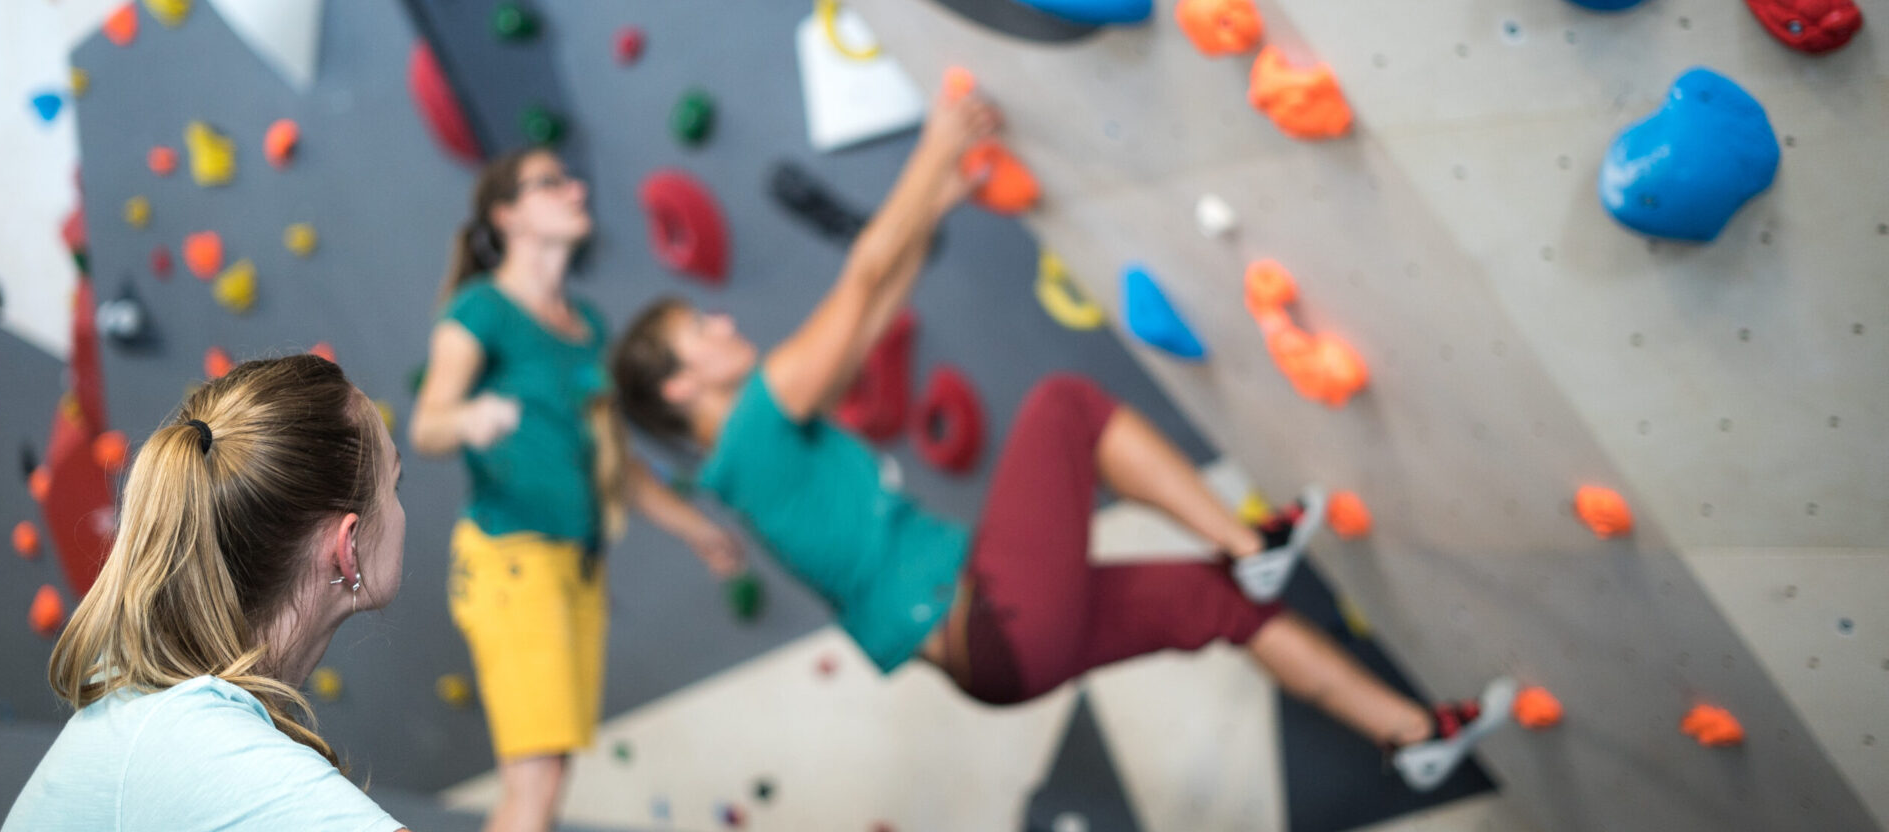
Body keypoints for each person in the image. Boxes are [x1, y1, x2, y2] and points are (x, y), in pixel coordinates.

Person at [609, 87, 1513, 791]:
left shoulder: (763, 456)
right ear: (683, 388)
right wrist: (937, 145)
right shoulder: (751, 440)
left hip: (998, 653)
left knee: (1223, 611)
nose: (722, 321)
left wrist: (944, 199)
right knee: (1064, 408)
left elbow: (881, 300)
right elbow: (864, 271)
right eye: (700, 329)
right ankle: (1251, 544)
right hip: (991, 619)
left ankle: (1414, 739)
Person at [410, 147, 743, 832]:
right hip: (510, 559)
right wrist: (470, 417)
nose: (576, 190)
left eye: (571, 179)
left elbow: (615, 462)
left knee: (547, 775)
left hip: (576, 567)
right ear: (507, 215)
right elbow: (426, 425)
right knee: (536, 779)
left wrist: (697, 529)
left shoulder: (587, 327)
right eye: (550, 183)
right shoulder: (482, 310)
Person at [5, 355, 414, 831]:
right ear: (348, 548)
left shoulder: (163, 705)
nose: (403, 510)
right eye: (394, 483)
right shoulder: (193, 742)